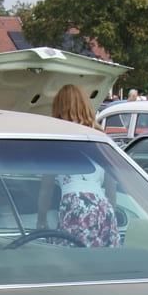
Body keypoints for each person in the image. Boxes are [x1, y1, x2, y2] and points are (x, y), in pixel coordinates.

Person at [43, 84, 119, 247]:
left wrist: (41, 219)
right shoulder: (100, 138)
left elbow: (47, 187)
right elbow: (111, 187)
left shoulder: (57, 141)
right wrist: (109, 212)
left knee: (76, 261)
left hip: (75, 204)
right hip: (102, 204)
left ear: (58, 109)